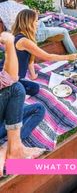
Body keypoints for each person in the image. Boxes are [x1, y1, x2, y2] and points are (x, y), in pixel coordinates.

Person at [0, 9, 77, 96]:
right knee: (33, 89)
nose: (37, 23)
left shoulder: (19, 35)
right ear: (29, 23)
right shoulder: (23, 41)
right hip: (7, 79)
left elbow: (29, 59)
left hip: (8, 72)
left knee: (32, 88)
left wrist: (33, 75)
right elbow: (48, 57)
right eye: (36, 21)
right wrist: (69, 57)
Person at [0, 32, 45, 174]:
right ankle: (13, 150)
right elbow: (11, 78)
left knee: (39, 108)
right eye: (35, 22)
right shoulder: (22, 40)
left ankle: (7, 146)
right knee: (17, 88)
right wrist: (9, 44)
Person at [0, 0, 77, 54]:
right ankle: (75, 55)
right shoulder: (22, 7)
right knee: (64, 31)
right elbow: (32, 20)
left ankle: (49, 33)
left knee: (40, 23)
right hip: (32, 35)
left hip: (15, 35)